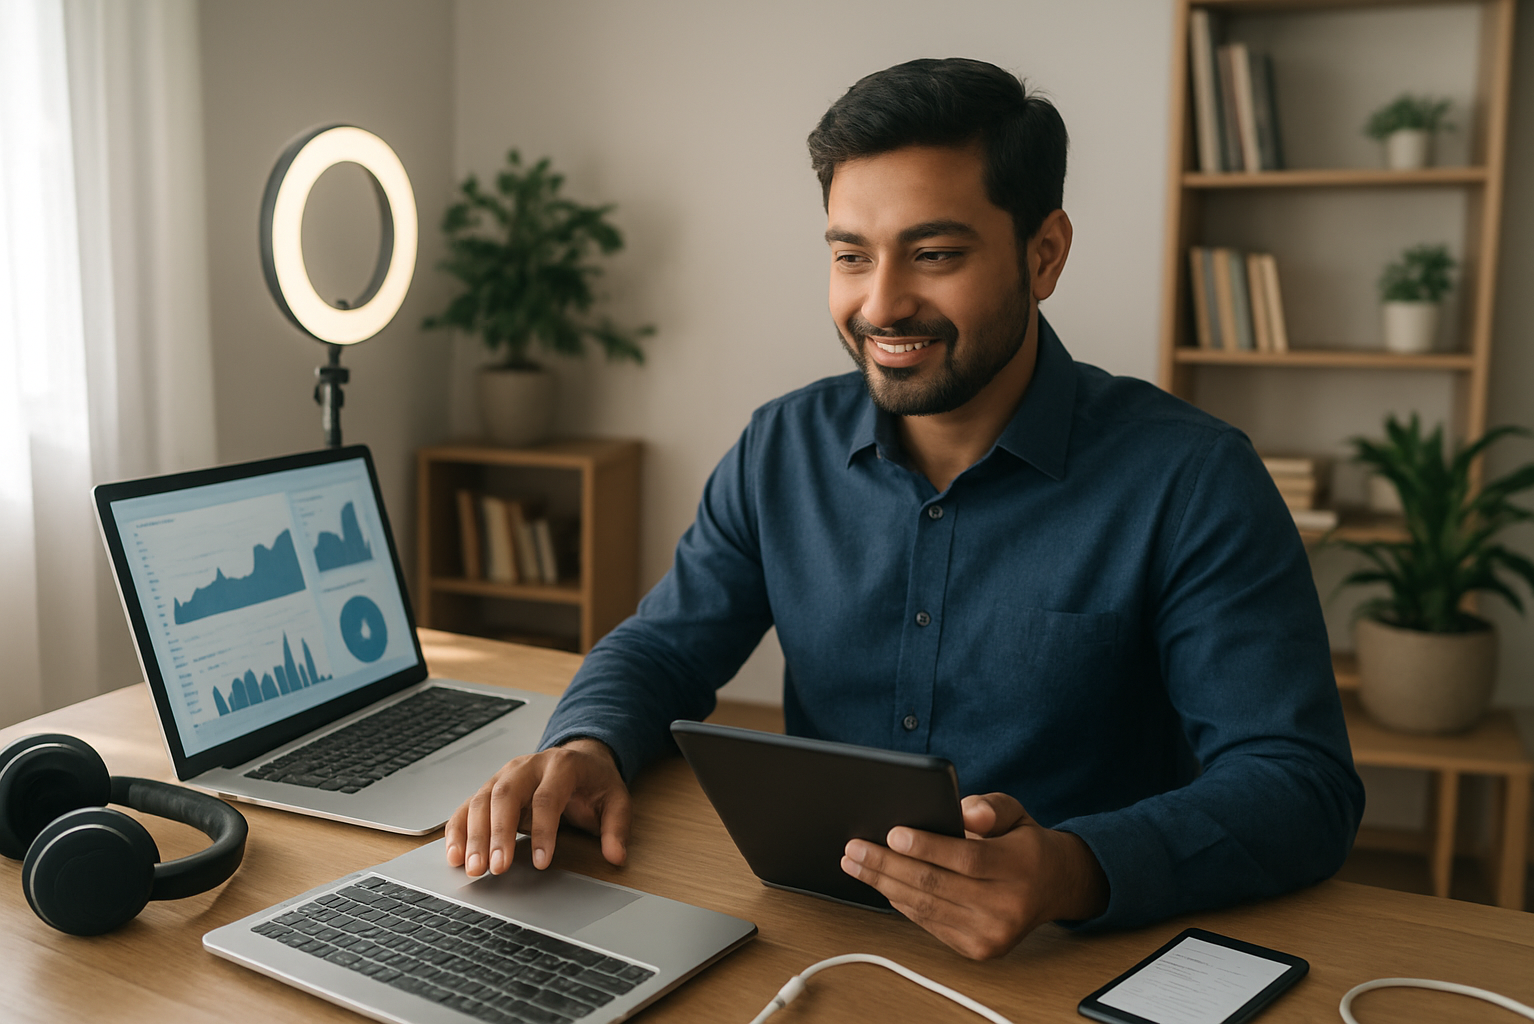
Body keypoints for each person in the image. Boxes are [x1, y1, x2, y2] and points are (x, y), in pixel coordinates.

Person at [445, 57, 1364, 960]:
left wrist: (1074, 871)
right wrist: (587, 743)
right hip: (809, 939)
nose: (881, 304)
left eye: (934, 255)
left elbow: (1299, 784)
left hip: (1064, 961)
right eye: (851, 256)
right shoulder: (781, 448)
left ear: (1043, 255)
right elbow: (662, 646)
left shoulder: (1193, 479)